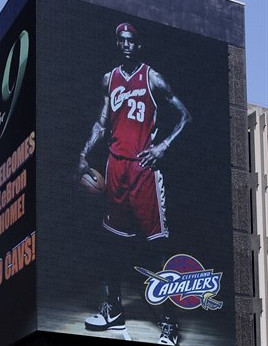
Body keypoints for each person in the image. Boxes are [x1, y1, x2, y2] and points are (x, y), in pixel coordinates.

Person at [78, 22, 192, 345]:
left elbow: (185, 115)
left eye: (131, 41)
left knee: (155, 250)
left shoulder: (152, 78)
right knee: (112, 244)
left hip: (144, 172)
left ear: (137, 45)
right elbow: (102, 122)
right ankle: (113, 309)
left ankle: (170, 323)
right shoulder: (109, 80)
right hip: (115, 169)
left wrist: (163, 147)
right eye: (121, 40)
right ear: (117, 44)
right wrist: (84, 152)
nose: (126, 45)